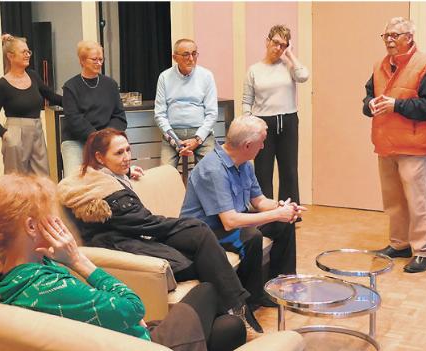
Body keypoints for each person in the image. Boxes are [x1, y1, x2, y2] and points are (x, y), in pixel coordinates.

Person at [0, 174, 246, 351]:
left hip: (114, 340)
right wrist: (78, 260)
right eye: (51, 214)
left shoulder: (6, 279)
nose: (57, 221)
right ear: (33, 227)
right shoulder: (50, 286)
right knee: (208, 291)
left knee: (229, 329)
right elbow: (133, 308)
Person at [57, 128, 263, 333]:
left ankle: (232, 312)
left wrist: (126, 171)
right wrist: (188, 224)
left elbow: (140, 221)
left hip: (135, 236)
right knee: (200, 240)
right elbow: (147, 223)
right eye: (119, 153)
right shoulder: (109, 195)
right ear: (99, 157)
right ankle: (236, 311)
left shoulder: (96, 179)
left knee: (202, 239)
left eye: (128, 150)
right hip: (122, 248)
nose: (127, 157)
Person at [180, 115, 303, 310]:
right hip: (204, 231)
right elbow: (229, 221)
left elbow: (260, 201)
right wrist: (277, 214)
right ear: (247, 145)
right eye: (261, 142)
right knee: (251, 236)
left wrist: (282, 207)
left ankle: (283, 286)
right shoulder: (214, 169)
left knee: (284, 223)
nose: (263, 146)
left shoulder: (244, 163)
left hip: (227, 222)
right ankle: (252, 300)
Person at [363, 17, 426, 273]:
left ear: (409, 37)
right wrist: (369, 104)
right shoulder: (379, 65)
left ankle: (423, 251)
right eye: (386, 35)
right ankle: (399, 245)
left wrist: (397, 105)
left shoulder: (425, 65)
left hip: (413, 147)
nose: (389, 40)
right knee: (394, 200)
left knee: (416, 202)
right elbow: (368, 94)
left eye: (395, 35)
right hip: (386, 144)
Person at [242, 25, 309, 207]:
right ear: (267, 41)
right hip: (262, 123)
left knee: (289, 169)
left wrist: (291, 55)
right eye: (276, 43)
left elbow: (304, 76)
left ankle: (291, 211)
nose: (278, 48)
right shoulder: (254, 70)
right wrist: (248, 123)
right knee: (263, 170)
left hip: (288, 120)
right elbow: (247, 100)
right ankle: (265, 210)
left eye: (283, 45)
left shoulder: (289, 66)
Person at [0, 34, 62, 175]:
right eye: (23, 52)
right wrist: (5, 135)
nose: (28, 55)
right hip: (15, 132)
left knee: (42, 177)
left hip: (37, 131)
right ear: (10, 56)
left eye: (28, 52)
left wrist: (76, 99)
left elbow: (51, 96)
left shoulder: (33, 75)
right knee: (16, 179)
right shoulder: (2, 85)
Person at [61, 40, 127, 177]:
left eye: (101, 59)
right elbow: (75, 120)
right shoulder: (70, 86)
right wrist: (97, 139)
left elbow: (119, 116)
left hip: (105, 141)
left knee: (114, 177)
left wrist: (106, 137)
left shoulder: (111, 85)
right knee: (75, 180)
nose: (99, 63)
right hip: (76, 140)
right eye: (94, 59)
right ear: (82, 61)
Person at [154, 38, 218, 167]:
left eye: (194, 54)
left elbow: (212, 113)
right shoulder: (164, 77)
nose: (191, 58)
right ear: (175, 57)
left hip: (201, 134)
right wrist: (175, 142)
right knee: (165, 174)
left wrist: (197, 139)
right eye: (186, 54)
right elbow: (159, 114)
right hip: (173, 134)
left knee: (211, 171)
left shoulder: (206, 76)